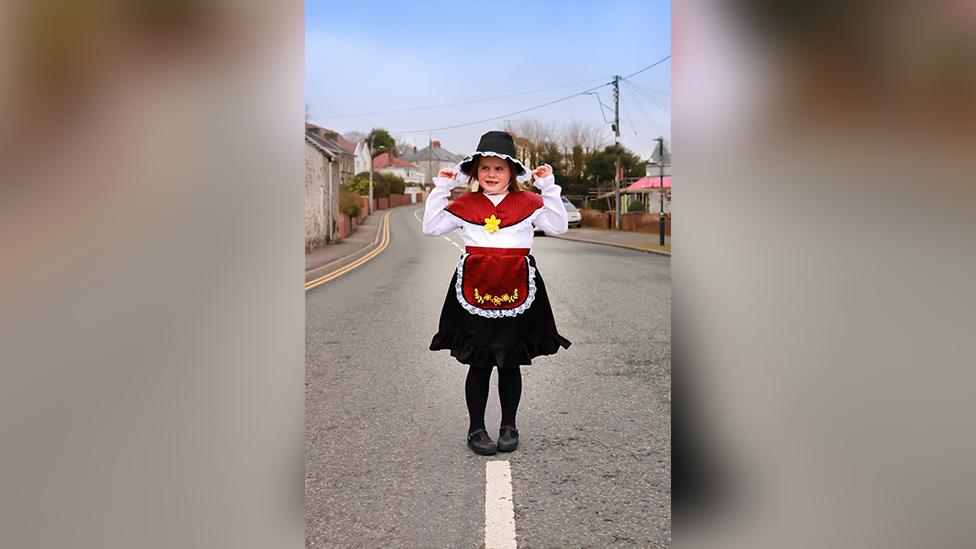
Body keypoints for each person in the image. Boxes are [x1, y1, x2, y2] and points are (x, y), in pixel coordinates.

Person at [422, 130, 572, 455]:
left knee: (509, 362)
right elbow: (431, 227)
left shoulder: (528, 203)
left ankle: (509, 426)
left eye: (499, 169)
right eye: (485, 168)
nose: (491, 175)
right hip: (475, 289)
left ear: (512, 173)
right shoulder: (466, 204)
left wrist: (549, 188)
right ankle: (476, 429)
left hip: (518, 288)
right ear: (475, 172)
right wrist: (442, 188)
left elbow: (559, 226)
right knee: (479, 363)